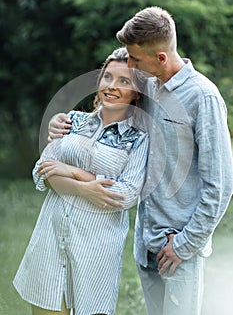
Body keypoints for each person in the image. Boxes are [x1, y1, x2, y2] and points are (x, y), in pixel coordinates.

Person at [49, 7, 233, 315]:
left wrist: (186, 244)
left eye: (134, 59)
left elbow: (221, 185)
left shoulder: (203, 97)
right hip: (146, 241)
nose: (129, 64)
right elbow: (107, 106)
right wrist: (60, 122)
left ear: (161, 58)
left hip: (178, 248)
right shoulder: (147, 84)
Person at [13, 47, 149, 315]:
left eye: (124, 81)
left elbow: (125, 195)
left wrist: (71, 172)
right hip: (50, 241)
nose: (112, 86)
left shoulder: (138, 139)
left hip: (96, 251)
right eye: (107, 77)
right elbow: (42, 171)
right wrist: (86, 187)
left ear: (137, 93)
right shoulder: (72, 122)